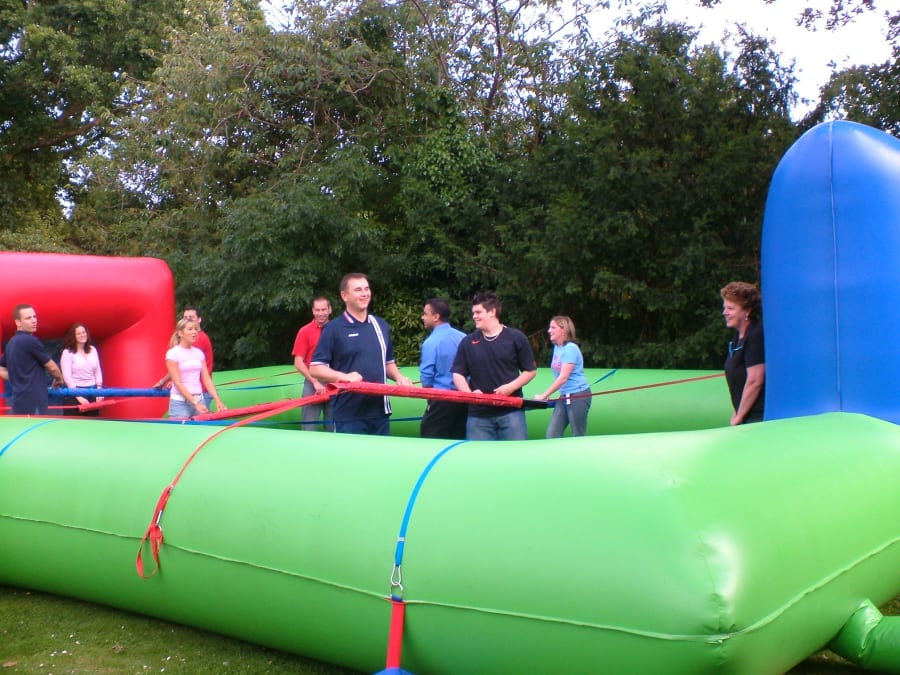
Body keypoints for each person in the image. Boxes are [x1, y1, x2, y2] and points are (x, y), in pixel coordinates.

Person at [309, 273, 412, 435]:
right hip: (348, 415)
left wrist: (399, 378)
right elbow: (316, 368)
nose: (364, 294)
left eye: (366, 289)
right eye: (358, 290)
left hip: (380, 412)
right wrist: (344, 377)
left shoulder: (381, 325)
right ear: (345, 296)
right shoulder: (333, 329)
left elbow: (388, 362)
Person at [452, 291, 537, 440]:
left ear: (492, 312)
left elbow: (530, 371)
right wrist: (469, 394)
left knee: (516, 454)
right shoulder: (467, 342)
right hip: (478, 416)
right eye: (473, 313)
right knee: (478, 455)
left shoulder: (516, 338)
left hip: (511, 412)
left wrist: (511, 387)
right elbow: (458, 373)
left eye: (478, 312)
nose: (474, 316)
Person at [0, 304, 65, 415]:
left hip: (18, 401)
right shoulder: (31, 341)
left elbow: (0, 369)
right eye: (28, 318)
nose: (34, 320)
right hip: (35, 402)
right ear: (18, 322)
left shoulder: (11, 343)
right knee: (37, 427)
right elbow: (52, 367)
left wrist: (16, 377)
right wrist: (59, 379)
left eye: (34, 317)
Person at [533, 316, 591, 437]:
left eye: (553, 327)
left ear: (563, 330)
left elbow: (563, 377)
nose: (549, 330)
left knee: (578, 435)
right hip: (564, 396)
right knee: (552, 435)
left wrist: (544, 395)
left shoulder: (570, 349)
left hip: (578, 395)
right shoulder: (557, 347)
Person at [419, 297, 467, 439]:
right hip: (464, 398)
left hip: (441, 398)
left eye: (425, 314)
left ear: (436, 317)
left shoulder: (431, 342)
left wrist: (429, 397)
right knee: (458, 438)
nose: (422, 317)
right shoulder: (463, 337)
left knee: (431, 436)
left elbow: (427, 375)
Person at [721, 281, 765, 425]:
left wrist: (739, 416)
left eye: (730, 308)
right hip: (746, 415)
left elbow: (755, 381)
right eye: (725, 308)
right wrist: (737, 411)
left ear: (747, 311)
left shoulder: (756, 334)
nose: (725, 313)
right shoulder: (737, 338)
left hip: (758, 417)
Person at [165, 317, 226, 419]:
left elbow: (207, 379)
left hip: (199, 400)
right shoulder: (173, 354)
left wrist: (218, 400)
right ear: (180, 333)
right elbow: (177, 382)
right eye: (190, 329)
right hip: (180, 403)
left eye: (195, 329)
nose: (194, 332)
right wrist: (195, 403)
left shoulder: (198, 353)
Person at [292, 296, 334, 431]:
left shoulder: (337, 330)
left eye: (323, 309)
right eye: (318, 310)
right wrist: (315, 382)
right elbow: (298, 362)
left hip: (334, 382)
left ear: (330, 310)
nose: (321, 313)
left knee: (334, 427)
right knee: (308, 427)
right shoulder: (304, 331)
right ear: (313, 311)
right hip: (312, 382)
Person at [60, 322, 104, 417]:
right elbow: (67, 377)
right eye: (78, 333)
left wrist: (99, 391)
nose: (82, 335)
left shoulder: (93, 349)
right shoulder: (67, 352)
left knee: (93, 422)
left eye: (84, 332)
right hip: (74, 393)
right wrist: (78, 396)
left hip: (93, 391)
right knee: (75, 423)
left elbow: (98, 371)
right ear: (73, 336)